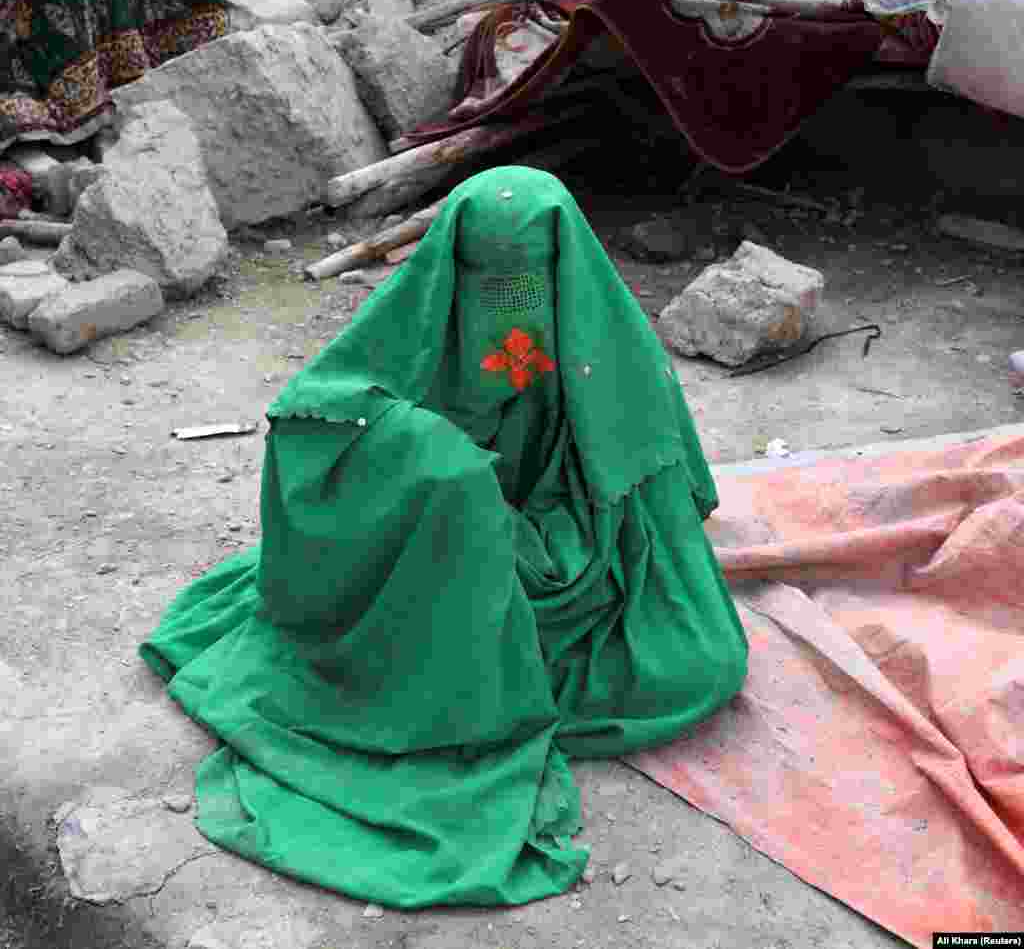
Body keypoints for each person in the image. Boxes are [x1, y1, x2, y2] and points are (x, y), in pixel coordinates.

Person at [140, 166, 747, 908]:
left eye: (528, 282)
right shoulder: (418, 321)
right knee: (446, 526)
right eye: (487, 279)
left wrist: (554, 540)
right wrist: (438, 469)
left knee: (702, 662)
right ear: (450, 266)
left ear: (565, 272)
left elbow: (653, 494)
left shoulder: (607, 348)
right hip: (439, 565)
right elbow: (316, 417)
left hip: (568, 559)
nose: (510, 310)